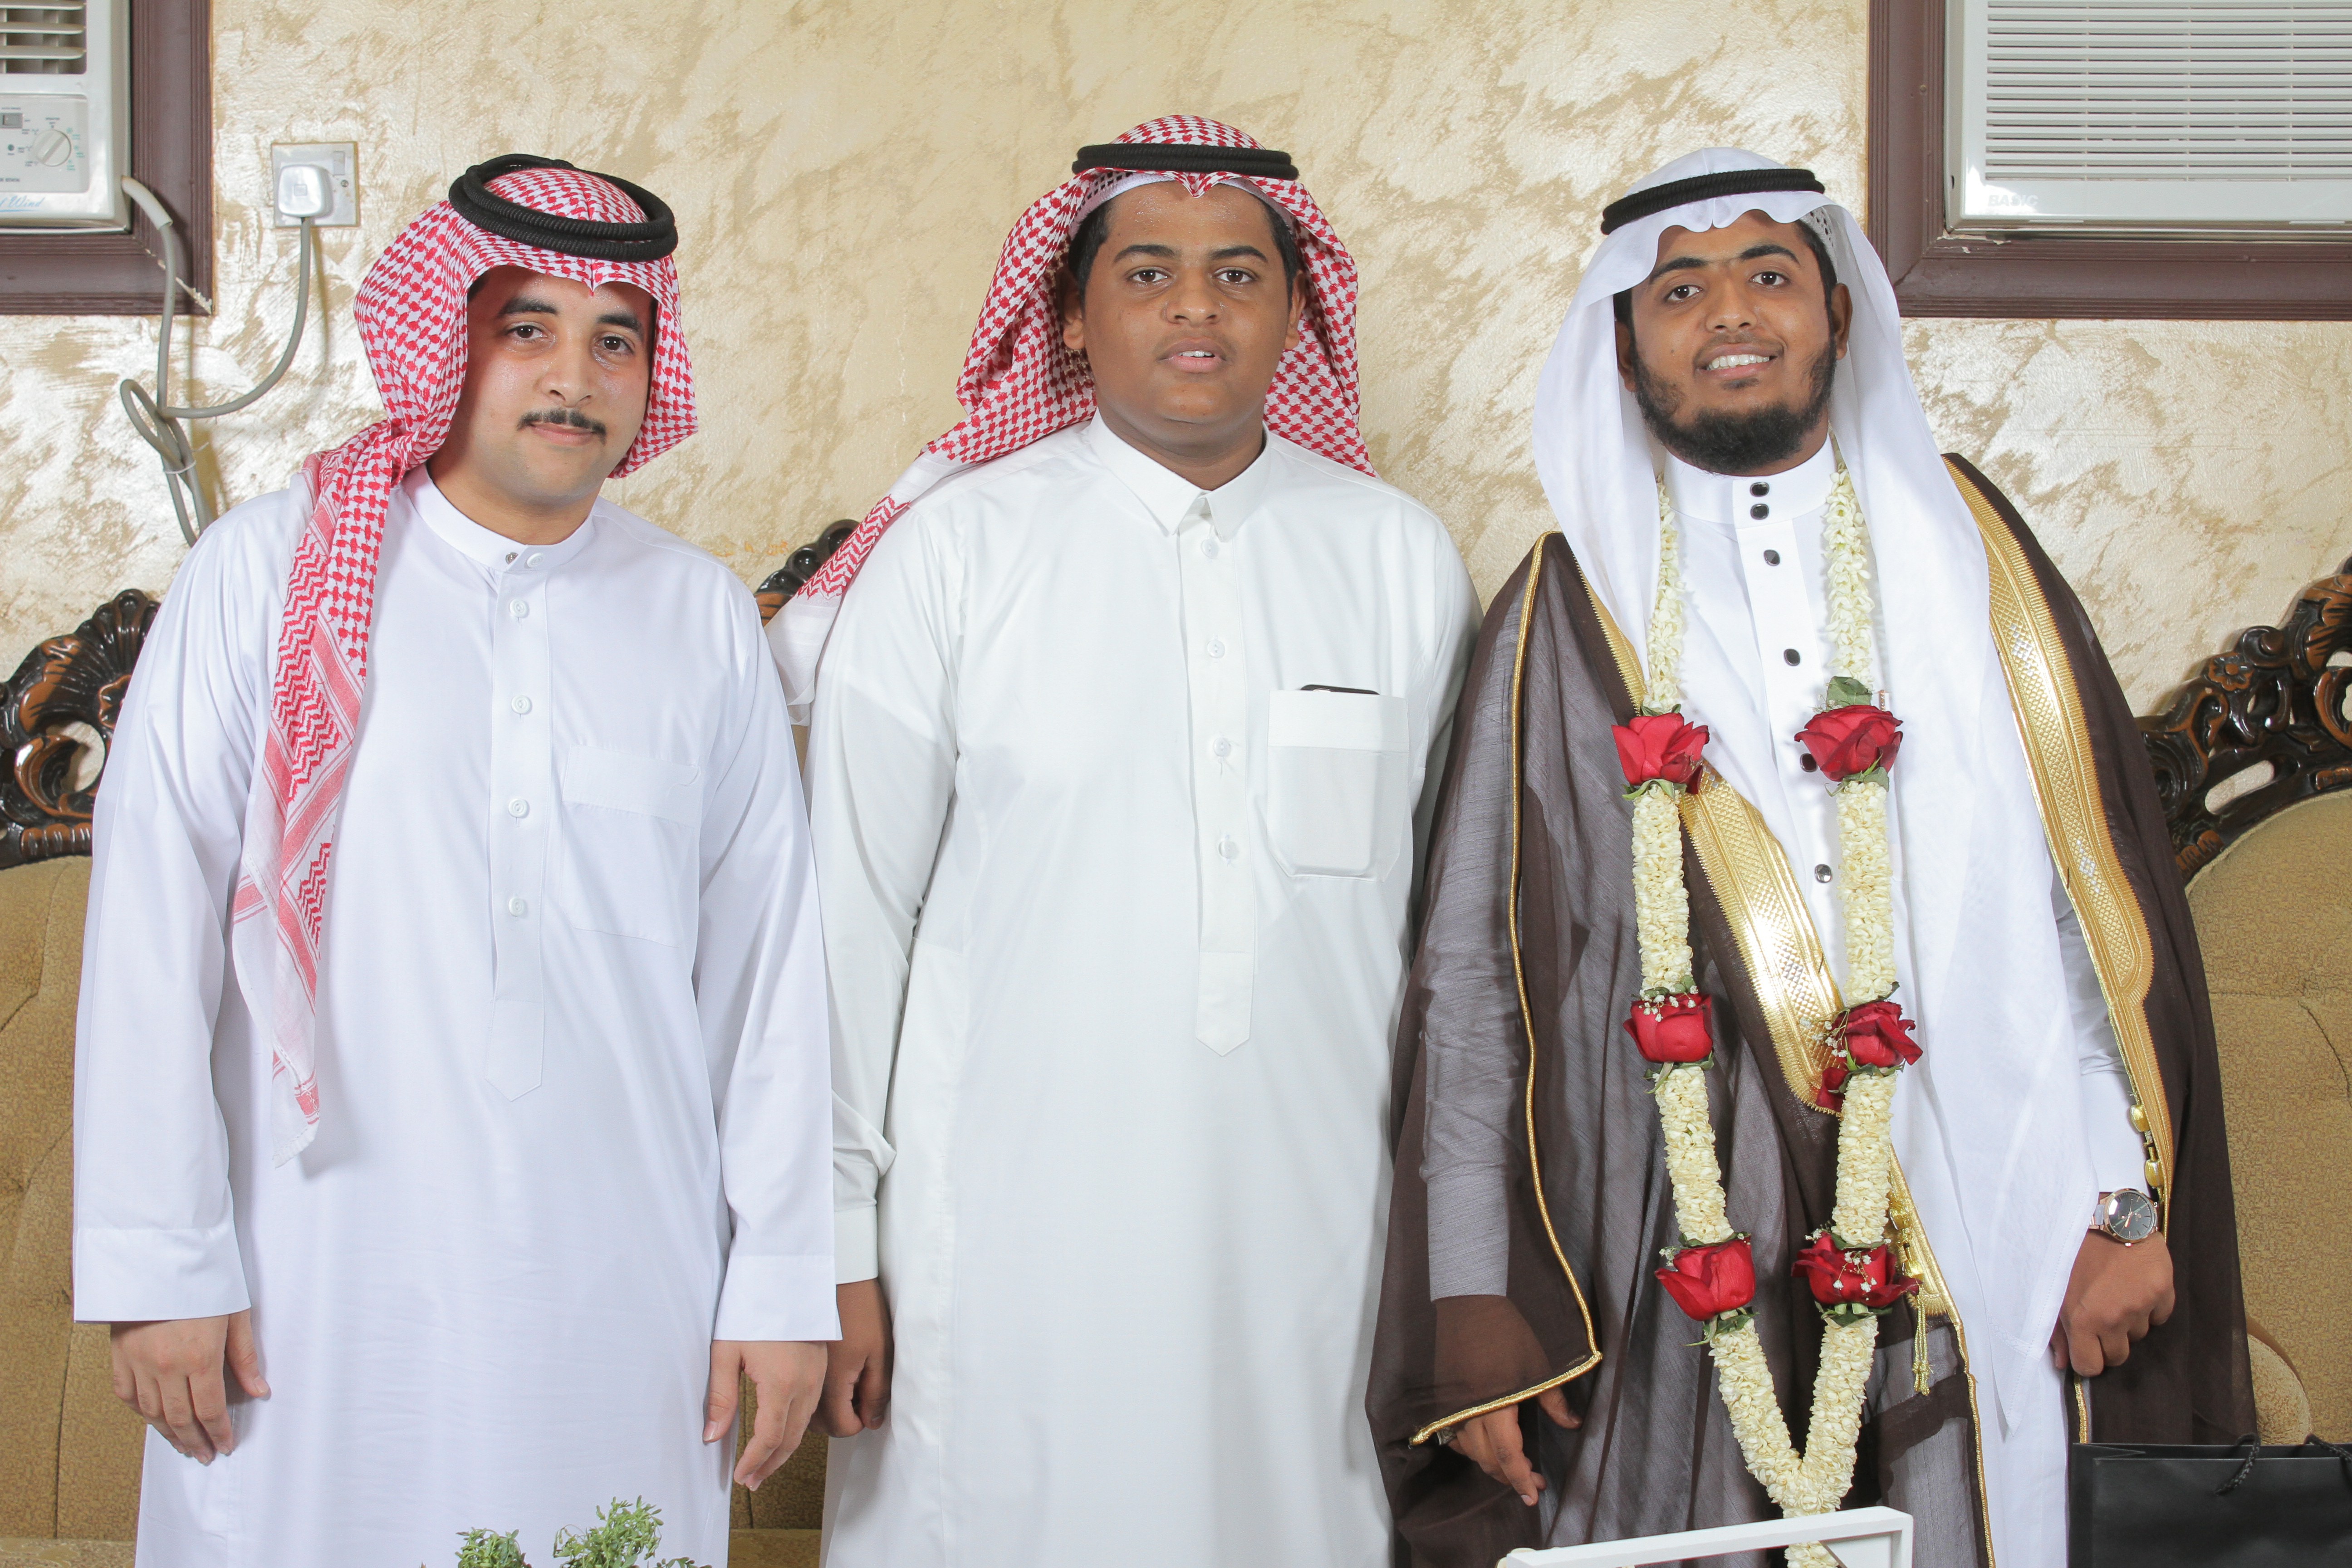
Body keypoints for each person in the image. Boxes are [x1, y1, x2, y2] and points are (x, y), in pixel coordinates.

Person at [1367, 150, 2252, 1568]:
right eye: (1681, 289)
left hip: (2010, 1222)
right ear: (1622, 342)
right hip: (1672, 1257)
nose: (1731, 311)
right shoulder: (1563, 613)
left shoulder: (1974, 557)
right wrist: (1475, 1306)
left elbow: (2082, 912)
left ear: (1838, 313)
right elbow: (1475, 984)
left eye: (1769, 274)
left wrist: (2119, 1203)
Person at [73, 154, 836, 1567]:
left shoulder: (699, 618)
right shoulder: (267, 575)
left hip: (625, 1284)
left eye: (618, 340)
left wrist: (784, 1281)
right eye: (525, 328)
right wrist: (159, 1262)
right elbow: (149, 930)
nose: (575, 377)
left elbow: (770, 982)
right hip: (309, 1279)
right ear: (443, 342)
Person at [789, 117, 1478, 1568]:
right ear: (1069, 314)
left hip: (1315, 1240)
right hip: (1001, 1243)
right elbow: (848, 922)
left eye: (1239, 273)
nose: (1195, 307)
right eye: (1148, 272)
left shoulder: (1398, 558)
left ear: (1294, 313)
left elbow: (1451, 946)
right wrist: (834, 1245)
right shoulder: (955, 557)